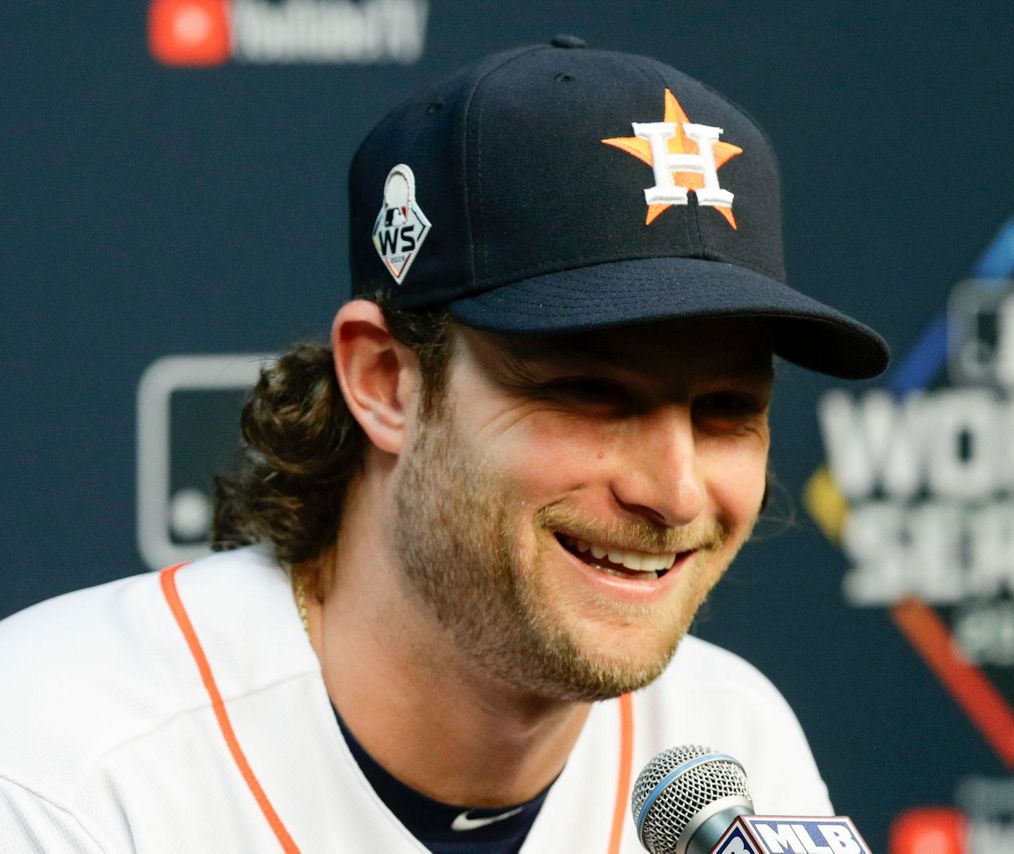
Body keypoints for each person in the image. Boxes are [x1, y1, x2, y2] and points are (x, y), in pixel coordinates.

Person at [0, 38, 887, 853]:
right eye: (589, 393)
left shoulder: (728, 748)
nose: (676, 490)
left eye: (727, 410)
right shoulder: (59, 763)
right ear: (387, 382)